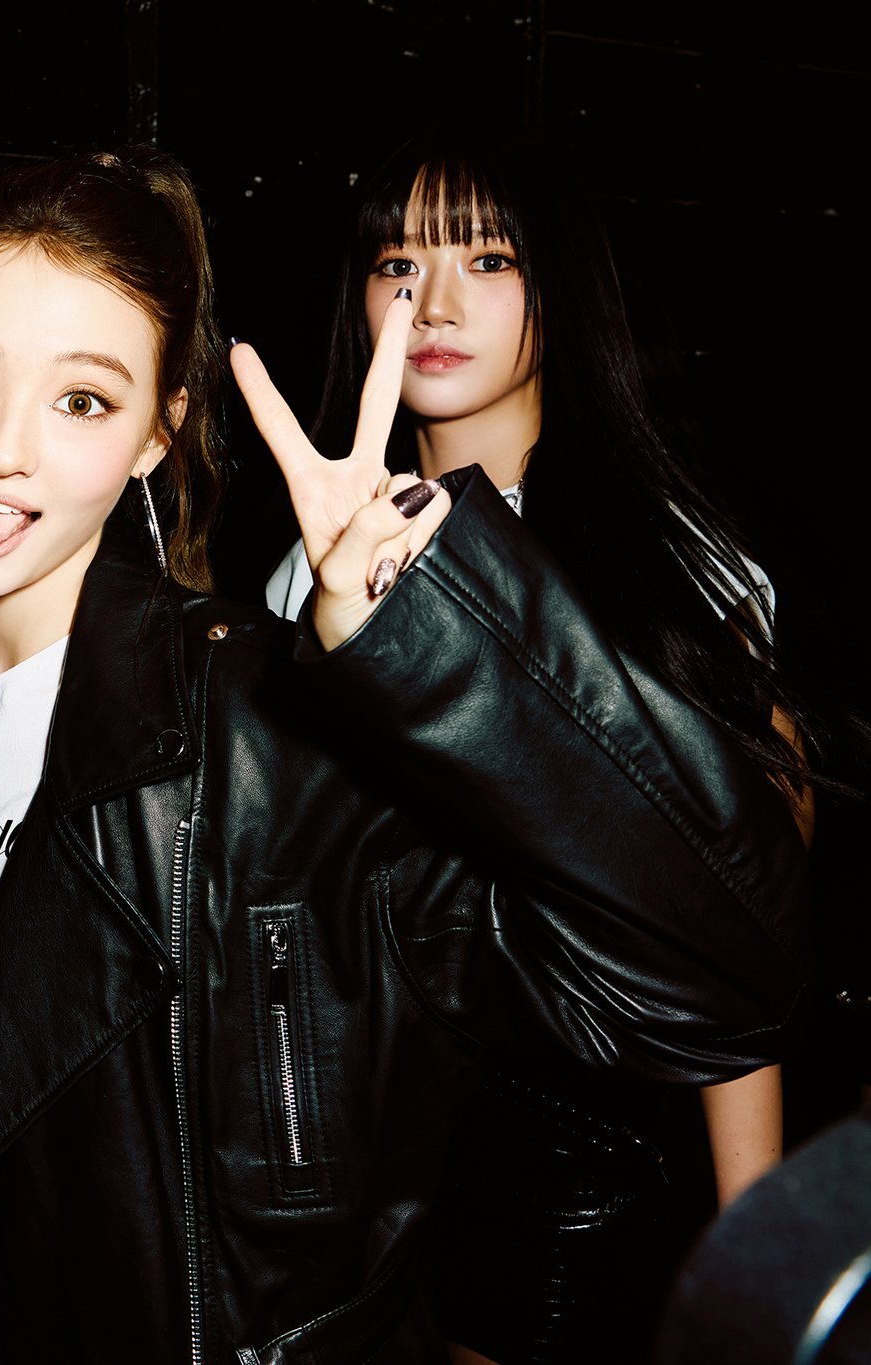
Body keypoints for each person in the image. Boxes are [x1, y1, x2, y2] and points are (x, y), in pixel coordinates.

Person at [0, 147, 811, 1364]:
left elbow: (723, 973)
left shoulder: (262, 726)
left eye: (80, 399)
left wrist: (427, 641)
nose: (1, 448)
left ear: (155, 434)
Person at [266, 130, 825, 1364]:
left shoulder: (670, 566)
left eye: (488, 258)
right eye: (397, 263)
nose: (432, 304)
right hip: (364, 1170)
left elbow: (735, 928)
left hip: (590, 1158)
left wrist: (753, 1242)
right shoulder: (300, 581)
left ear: (559, 284)